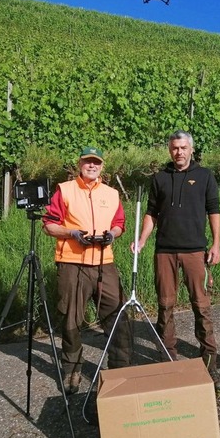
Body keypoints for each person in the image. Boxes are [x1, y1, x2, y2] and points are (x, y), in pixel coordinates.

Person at [132, 130, 220, 392]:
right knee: (165, 306)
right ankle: (167, 359)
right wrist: (142, 240)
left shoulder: (205, 176)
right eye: (174, 148)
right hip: (164, 251)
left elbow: (214, 211)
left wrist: (216, 245)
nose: (179, 152)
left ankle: (211, 365)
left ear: (191, 149)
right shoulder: (160, 178)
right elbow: (151, 213)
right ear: (169, 150)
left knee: (201, 307)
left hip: (195, 251)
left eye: (183, 148)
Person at [42, 146, 132, 395]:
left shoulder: (111, 194)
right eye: (87, 162)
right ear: (79, 164)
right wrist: (70, 233)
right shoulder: (65, 189)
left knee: (117, 315)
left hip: (104, 262)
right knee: (71, 319)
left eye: (96, 162)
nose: (92, 166)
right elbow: (49, 225)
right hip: (72, 262)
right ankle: (72, 368)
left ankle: (120, 368)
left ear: (102, 166)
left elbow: (119, 224)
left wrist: (112, 236)